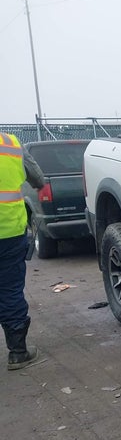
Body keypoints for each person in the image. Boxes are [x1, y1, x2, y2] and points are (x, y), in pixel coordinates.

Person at [0, 132, 45, 370]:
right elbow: (38, 178)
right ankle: (17, 352)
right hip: (8, 231)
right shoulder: (10, 143)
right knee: (9, 290)